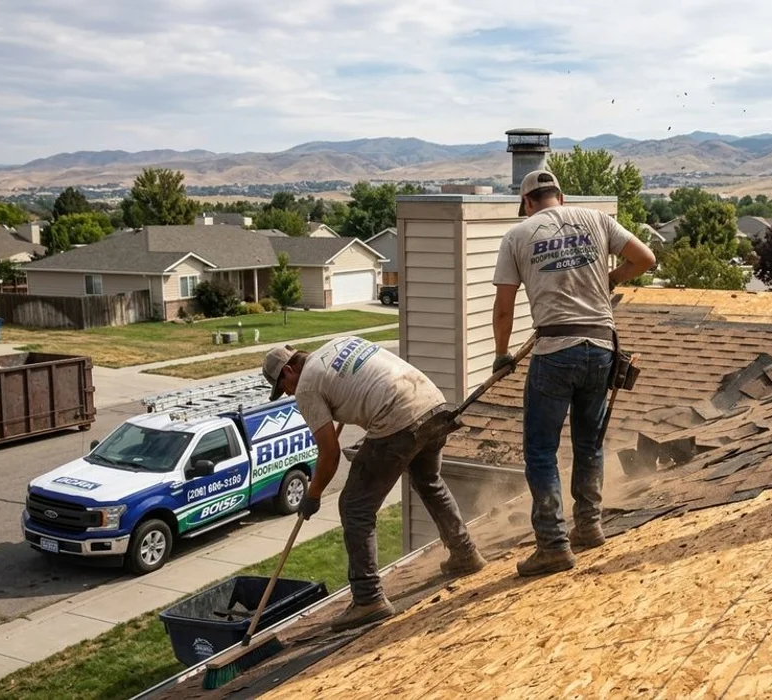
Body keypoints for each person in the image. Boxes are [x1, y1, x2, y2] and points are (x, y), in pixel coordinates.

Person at [492, 170, 656, 576]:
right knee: (589, 442)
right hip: (601, 349)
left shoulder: (518, 235)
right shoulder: (596, 219)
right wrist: (611, 277)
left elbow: (503, 307)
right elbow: (646, 259)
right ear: (559, 197)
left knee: (542, 451)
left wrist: (501, 353)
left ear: (527, 203)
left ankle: (552, 544)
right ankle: (589, 526)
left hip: (555, 349)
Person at [262, 336, 486, 630]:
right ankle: (465, 552)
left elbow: (329, 454)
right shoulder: (337, 344)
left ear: (288, 371)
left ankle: (368, 599)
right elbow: (358, 382)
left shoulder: (307, 387)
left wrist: (313, 495)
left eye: (283, 387)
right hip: (431, 402)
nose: (289, 393)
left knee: (354, 507)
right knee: (428, 480)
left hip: (398, 419)